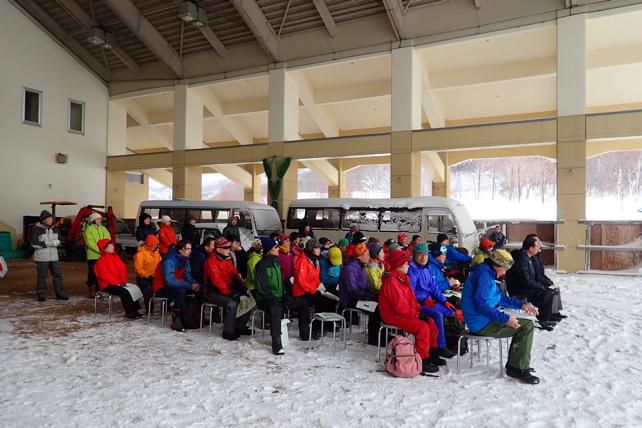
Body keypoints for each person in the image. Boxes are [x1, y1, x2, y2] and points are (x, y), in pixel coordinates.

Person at [461, 250, 541, 384]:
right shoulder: (483, 278)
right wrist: (505, 318)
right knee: (526, 326)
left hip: (483, 320)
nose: (504, 273)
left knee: (525, 325)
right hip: (481, 324)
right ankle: (517, 368)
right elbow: (480, 305)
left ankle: (517, 364)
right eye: (504, 269)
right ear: (496, 265)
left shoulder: (486, 274)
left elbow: (499, 298)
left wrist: (522, 305)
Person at [378, 250, 442, 374]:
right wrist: (417, 315)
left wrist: (421, 309)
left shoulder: (402, 279)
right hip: (393, 316)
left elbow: (411, 301)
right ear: (398, 265)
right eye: (405, 263)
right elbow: (400, 307)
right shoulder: (392, 281)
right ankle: (421, 359)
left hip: (403, 313)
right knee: (422, 327)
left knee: (432, 322)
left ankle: (432, 353)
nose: (408, 266)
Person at [408, 243, 456, 359]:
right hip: (418, 304)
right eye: (420, 255)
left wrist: (444, 301)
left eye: (425, 255)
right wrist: (423, 301)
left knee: (451, 312)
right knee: (438, 316)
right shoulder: (412, 271)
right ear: (414, 256)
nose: (423, 258)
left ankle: (450, 342)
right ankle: (440, 347)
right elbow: (410, 293)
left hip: (430, 302)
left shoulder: (427, 269)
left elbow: (434, 288)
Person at [506, 235, 562, 330]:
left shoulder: (528, 257)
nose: (540, 247)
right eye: (537, 245)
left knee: (550, 292)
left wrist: (544, 284)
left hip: (526, 287)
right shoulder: (521, 259)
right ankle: (541, 319)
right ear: (531, 248)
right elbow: (526, 281)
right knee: (547, 293)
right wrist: (540, 286)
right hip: (519, 290)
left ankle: (546, 317)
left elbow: (534, 276)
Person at [204, 237, 252, 340]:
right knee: (232, 303)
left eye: (229, 247)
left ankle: (240, 326)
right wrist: (229, 293)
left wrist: (243, 286)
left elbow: (235, 273)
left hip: (227, 289)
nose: (229, 250)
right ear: (218, 249)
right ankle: (228, 332)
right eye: (226, 248)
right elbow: (217, 280)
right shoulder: (211, 262)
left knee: (248, 299)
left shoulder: (227, 259)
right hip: (213, 292)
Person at [152, 240, 200, 331]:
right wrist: (189, 286)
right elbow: (170, 281)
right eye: (188, 249)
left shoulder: (185, 259)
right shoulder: (169, 260)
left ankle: (194, 316)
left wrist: (194, 283)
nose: (190, 251)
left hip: (177, 284)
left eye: (191, 249)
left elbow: (186, 274)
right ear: (180, 250)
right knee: (180, 292)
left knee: (199, 288)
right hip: (161, 287)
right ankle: (177, 320)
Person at [339, 242, 381, 345]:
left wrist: (377, 294)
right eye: (367, 254)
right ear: (359, 256)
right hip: (351, 300)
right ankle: (373, 339)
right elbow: (353, 292)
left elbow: (367, 286)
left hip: (359, 297)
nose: (369, 257)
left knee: (381, 304)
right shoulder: (350, 269)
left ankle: (379, 336)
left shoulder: (361, 267)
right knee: (376, 309)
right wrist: (370, 297)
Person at [94, 239, 141, 319]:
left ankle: (135, 310)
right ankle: (130, 313)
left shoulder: (116, 257)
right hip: (106, 285)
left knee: (134, 288)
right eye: (110, 246)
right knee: (124, 292)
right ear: (104, 249)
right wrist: (119, 283)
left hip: (118, 282)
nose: (112, 247)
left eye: (112, 245)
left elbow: (122, 270)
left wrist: (123, 281)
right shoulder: (100, 262)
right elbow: (105, 277)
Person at [254, 237, 286, 355]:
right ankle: (276, 343)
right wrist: (272, 297)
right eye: (275, 247)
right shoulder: (261, 265)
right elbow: (262, 287)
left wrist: (284, 294)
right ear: (269, 250)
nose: (278, 249)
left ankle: (305, 335)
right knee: (275, 310)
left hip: (277, 296)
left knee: (301, 302)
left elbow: (281, 281)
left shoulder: (276, 262)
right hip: (265, 298)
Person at [30, 210, 67, 301]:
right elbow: (34, 243)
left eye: (51, 218)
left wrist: (58, 242)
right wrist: (47, 243)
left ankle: (60, 294)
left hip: (54, 257)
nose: (51, 220)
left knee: (57, 275)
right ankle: (42, 294)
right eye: (49, 218)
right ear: (43, 220)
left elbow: (60, 240)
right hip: (42, 258)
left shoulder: (55, 228)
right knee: (42, 276)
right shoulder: (37, 229)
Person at [290, 239, 323, 341]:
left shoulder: (315, 260)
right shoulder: (302, 261)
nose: (319, 249)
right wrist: (313, 289)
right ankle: (305, 334)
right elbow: (301, 281)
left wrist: (319, 287)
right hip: (301, 292)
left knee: (325, 301)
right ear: (311, 249)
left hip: (311, 290)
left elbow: (316, 278)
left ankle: (317, 327)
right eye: (317, 247)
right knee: (304, 307)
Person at [528, 234, 566, 321]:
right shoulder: (532, 258)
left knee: (556, 288)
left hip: (540, 280)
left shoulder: (537, 257)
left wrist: (549, 281)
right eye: (538, 244)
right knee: (550, 291)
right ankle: (548, 315)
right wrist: (545, 283)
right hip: (536, 283)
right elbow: (536, 275)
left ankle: (555, 312)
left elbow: (541, 273)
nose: (539, 246)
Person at [83, 212, 111, 299]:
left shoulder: (103, 229)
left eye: (100, 219)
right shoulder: (89, 229)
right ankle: (91, 289)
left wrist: (107, 249)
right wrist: (101, 250)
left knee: (101, 274)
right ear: (93, 220)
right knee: (92, 273)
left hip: (103, 256)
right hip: (93, 256)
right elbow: (90, 243)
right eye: (98, 219)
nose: (100, 220)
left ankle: (99, 290)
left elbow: (108, 239)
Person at [133, 234, 162, 311]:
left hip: (155, 277)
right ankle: (149, 309)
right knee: (148, 290)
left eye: (157, 244)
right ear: (150, 244)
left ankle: (167, 307)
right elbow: (138, 268)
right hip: (143, 278)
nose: (156, 246)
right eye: (155, 244)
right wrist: (146, 275)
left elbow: (160, 265)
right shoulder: (140, 253)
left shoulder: (157, 253)